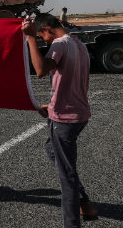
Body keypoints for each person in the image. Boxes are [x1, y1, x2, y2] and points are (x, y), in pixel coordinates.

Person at [21, 13, 97, 227]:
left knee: (67, 177)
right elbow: (68, 81)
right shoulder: (78, 44)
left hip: (65, 119)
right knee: (52, 150)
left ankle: (72, 224)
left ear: (47, 29)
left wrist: (29, 39)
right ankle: (86, 204)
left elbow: (40, 70)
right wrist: (51, 104)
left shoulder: (59, 44)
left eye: (41, 35)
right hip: (78, 114)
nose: (43, 40)